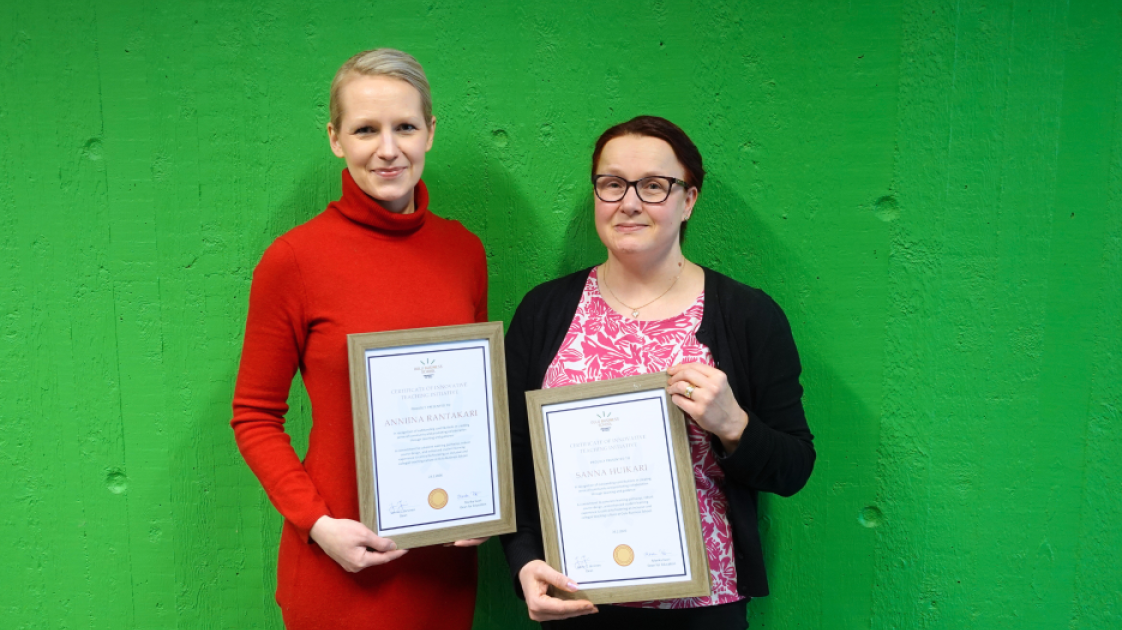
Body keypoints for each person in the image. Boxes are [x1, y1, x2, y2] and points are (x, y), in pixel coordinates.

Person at [500, 116, 815, 629]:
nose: (629, 203)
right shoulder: (545, 311)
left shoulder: (748, 316)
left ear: (688, 200)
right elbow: (512, 455)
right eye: (612, 183)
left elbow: (795, 467)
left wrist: (734, 426)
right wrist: (523, 561)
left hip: (704, 608)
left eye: (653, 186)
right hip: (577, 599)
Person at [231, 49, 488, 630]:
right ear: (335, 139)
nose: (388, 149)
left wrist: (484, 498)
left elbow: (475, 404)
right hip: (340, 560)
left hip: (442, 566)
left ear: (430, 132)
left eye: (405, 127)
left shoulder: (464, 252)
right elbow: (253, 415)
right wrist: (318, 525)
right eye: (366, 129)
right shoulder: (294, 260)